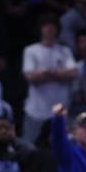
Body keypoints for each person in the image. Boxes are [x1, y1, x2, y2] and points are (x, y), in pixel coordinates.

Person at [22, 14, 77, 143]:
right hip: (36, 110)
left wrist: (46, 73)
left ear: (57, 29)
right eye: (46, 26)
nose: (49, 29)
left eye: (52, 26)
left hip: (60, 109)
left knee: (62, 147)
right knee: (32, 146)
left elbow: (73, 72)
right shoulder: (31, 50)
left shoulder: (65, 51)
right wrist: (59, 74)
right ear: (40, 29)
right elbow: (30, 76)